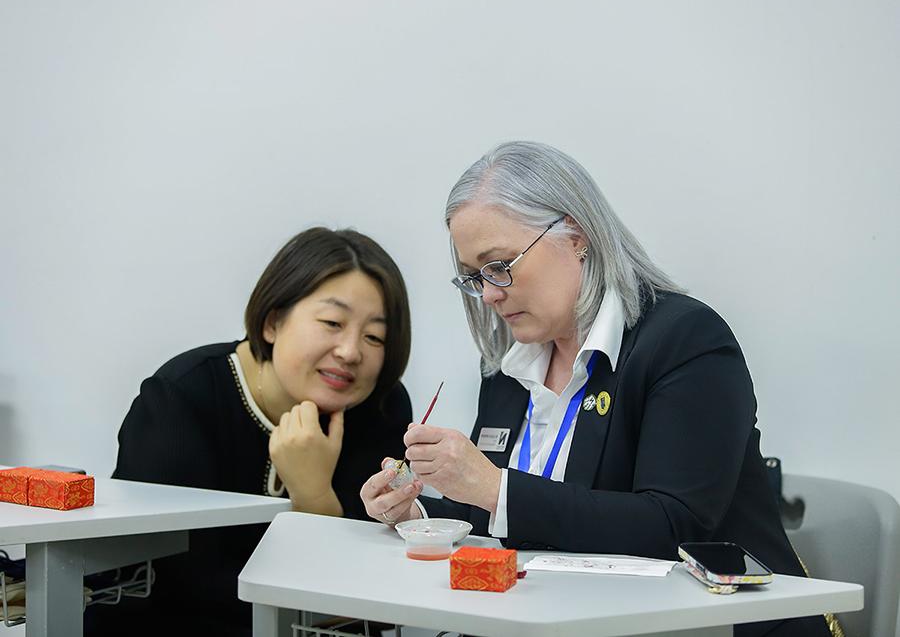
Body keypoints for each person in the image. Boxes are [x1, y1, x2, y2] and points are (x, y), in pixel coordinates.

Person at [360, 141, 830, 637]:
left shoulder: (684, 341)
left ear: (576, 236)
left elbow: (673, 528)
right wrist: (420, 512)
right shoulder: (506, 367)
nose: (492, 293)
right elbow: (503, 515)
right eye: (475, 278)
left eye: (499, 265)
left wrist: (493, 487)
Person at [89, 227, 412, 637]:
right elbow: (181, 581)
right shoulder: (180, 398)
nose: (351, 352)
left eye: (374, 336)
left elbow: (377, 584)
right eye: (332, 322)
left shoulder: (382, 407)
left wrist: (313, 493)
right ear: (273, 322)